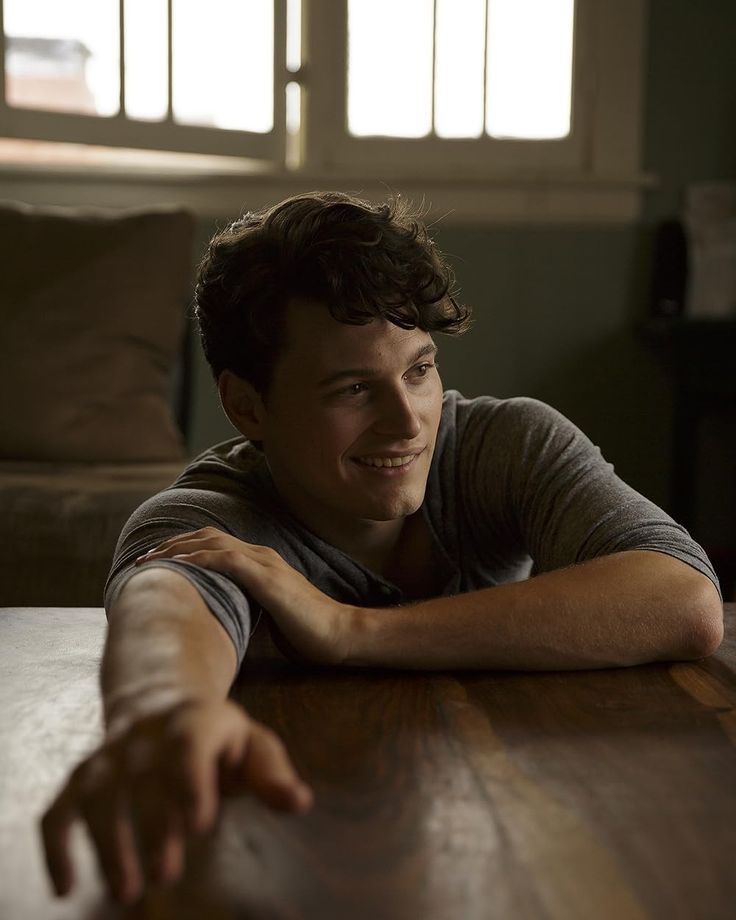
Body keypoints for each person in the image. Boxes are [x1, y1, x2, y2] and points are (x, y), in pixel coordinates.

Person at [41, 191, 723, 904]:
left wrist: (352, 630)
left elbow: (682, 598)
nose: (407, 423)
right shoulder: (211, 515)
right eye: (353, 388)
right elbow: (162, 607)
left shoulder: (510, 443)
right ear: (247, 406)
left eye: (419, 370)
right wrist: (165, 712)